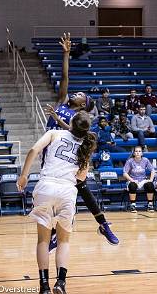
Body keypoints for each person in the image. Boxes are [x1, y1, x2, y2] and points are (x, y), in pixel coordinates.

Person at [45, 33, 119, 250]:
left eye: (80, 94)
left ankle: (103, 224)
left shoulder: (81, 118)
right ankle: (55, 233)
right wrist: (66, 54)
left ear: (83, 104)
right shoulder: (61, 102)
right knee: (53, 195)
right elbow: (65, 76)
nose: (75, 93)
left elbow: (80, 136)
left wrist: (59, 120)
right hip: (50, 153)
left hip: (68, 157)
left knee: (80, 190)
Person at [17, 112, 97, 294]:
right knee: (63, 241)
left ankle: (44, 286)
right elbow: (81, 177)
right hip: (67, 190)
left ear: (71, 122)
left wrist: (23, 176)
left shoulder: (54, 133)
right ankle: (60, 283)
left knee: (43, 241)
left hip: (46, 186)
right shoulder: (86, 144)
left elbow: (33, 150)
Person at [123, 146, 156, 212]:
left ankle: (150, 205)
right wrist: (132, 180)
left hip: (143, 180)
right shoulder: (130, 161)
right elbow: (124, 173)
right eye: (136, 151)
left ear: (142, 153)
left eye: (139, 151)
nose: (138, 153)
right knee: (132, 185)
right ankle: (133, 205)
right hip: (134, 180)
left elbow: (152, 170)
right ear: (134, 153)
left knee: (150, 185)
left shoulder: (145, 160)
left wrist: (151, 179)